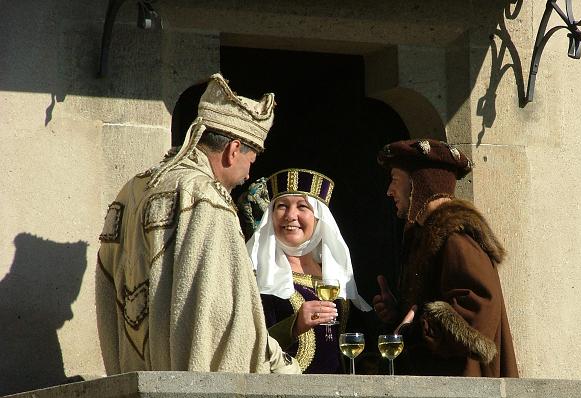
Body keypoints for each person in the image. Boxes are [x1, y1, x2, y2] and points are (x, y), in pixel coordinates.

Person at [96, 73, 299, 375]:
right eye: (251, 161)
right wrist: (282, 367)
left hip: (138, 382)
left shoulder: (134, 189)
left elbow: (106, 285)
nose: (246, 176)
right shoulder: (207, 197)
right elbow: (224, 315)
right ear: (233, 150)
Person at [373, 139, 518, 377]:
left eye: (395, 180)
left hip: (463, 390)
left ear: (419, 184)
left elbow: (479, 314)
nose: (389, 191)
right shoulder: (423, 239)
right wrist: (398, 312)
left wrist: (420, 325)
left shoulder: (457, 240)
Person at [246, 169, 372, 373]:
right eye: (282, 206)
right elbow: (242, 344)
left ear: (319, 218)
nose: (290, 216)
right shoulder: (255, 273)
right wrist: (293, 326)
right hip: (285, 393)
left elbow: (359, 342)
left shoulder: (335, 275)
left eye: (302, 206)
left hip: (340, 393)